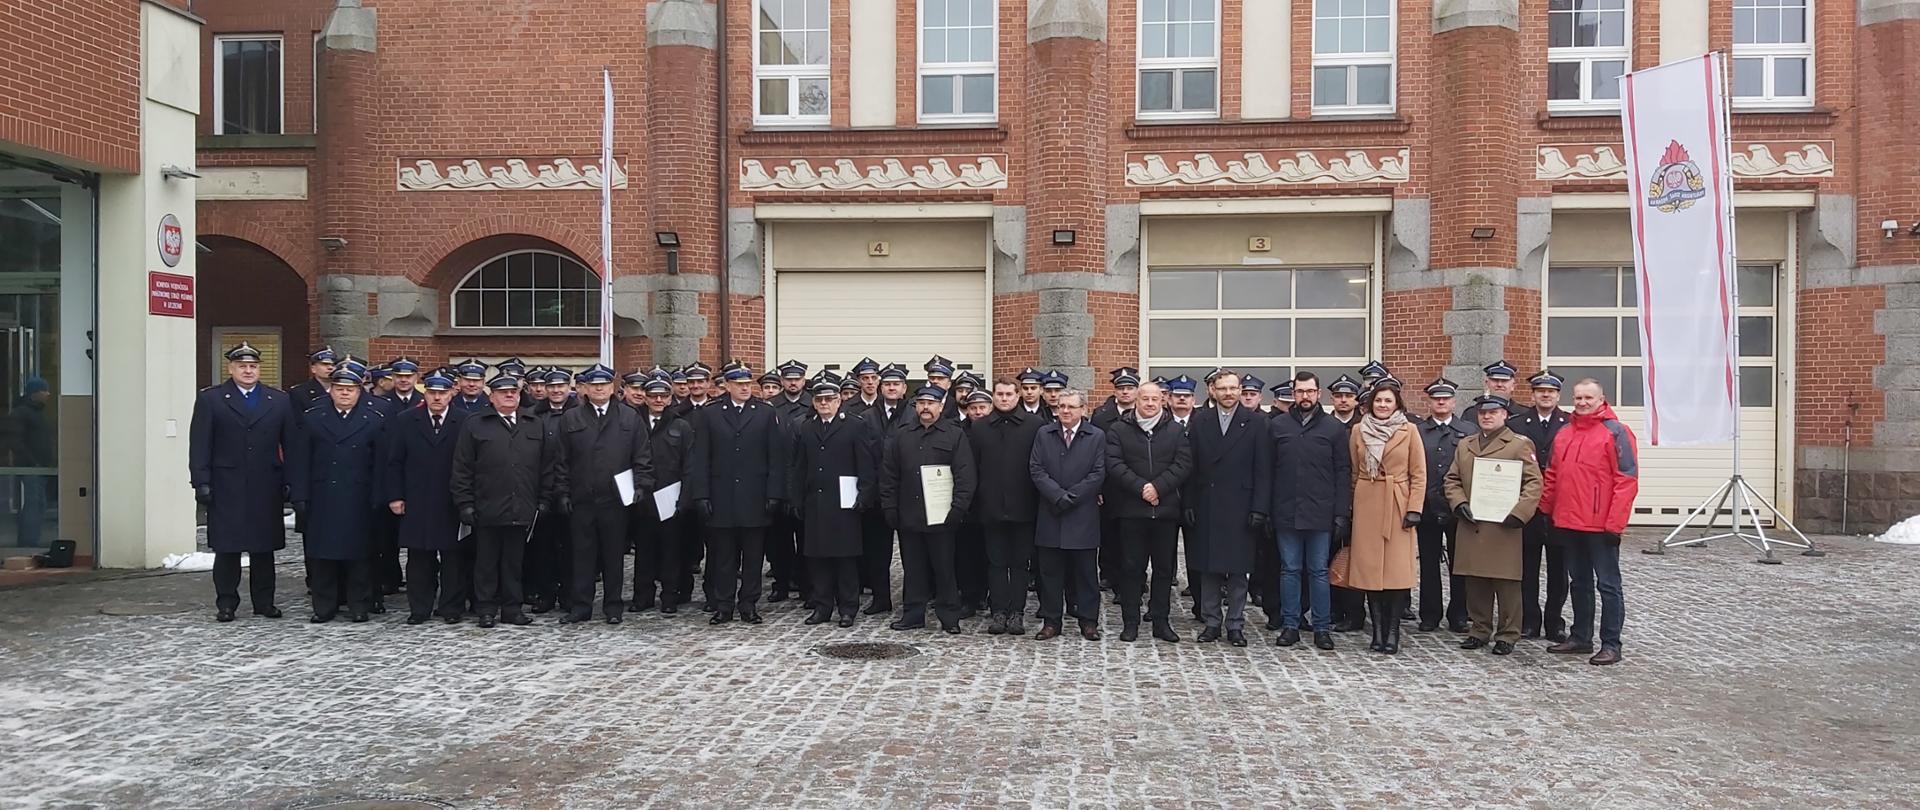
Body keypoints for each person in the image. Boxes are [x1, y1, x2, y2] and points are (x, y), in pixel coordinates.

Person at [189, 343, 295, 622]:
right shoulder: (212, 399)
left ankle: (264, 602)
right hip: (227, 484)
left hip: (265, 484)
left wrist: (291, 480)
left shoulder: (278, 400)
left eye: (253, 366)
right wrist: (201, 481)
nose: (248, 371)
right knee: (228, 549)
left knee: (264, 548)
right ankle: (226, 603)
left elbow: (291, 445)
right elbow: (200, 444)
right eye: (242, 366)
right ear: (231, 369)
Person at [1540, 378, 1638, 666]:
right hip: (1569, 522)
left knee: (1608, 586)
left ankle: (1611, 643)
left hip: (1600, 526)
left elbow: (1626, 480)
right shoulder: (1565, 433)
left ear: (1601, 399)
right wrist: (1547, 510)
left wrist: (1615, 524)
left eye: (1588, 398)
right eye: (1578, 397)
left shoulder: (1616, 432)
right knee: (1579, 583)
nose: (1582, 402)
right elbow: (1553, 475)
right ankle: (1581, 637)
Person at [451, 372, 560, 628]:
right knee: (486, 562)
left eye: (513, 392)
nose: (509, 396)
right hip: (487, 505)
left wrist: (544, 498)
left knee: (515, 561)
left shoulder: (533, 423)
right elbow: (462, 467)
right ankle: (486, 608)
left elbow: (546, 465)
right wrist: (464, 503)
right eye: (503, 392)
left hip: (522, 504)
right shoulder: (475, 424)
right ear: (492, 396)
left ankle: (512, 608)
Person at [685, 361, 787, 625]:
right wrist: (701, 495)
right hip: (722, 497)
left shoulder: (765, 413)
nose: (744, 388)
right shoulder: (710, 413)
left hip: (755, 496)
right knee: (723, 557)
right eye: (739, 384)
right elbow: (701, 458)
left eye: (747, 384)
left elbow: (775, 457)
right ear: (727, 385)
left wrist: (774, 493)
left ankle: (749, 604)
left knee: (754, 557)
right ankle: (724, 605)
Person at [552, 364, 654, 625]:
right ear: (585, 388)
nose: (599, 389)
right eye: (594, 385)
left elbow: (642, 456)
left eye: (604, 385)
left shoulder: (629, 417)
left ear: (613, 388)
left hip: (616, 499)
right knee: (582, 555)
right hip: (582, 498)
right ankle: (581, 606)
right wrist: (562, 492)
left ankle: (613, 606)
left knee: (613, 555)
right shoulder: (571, 418)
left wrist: (642, 486)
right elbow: (561, 460)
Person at [288, 365, 388, 623]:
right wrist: (299, 495)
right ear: (331, 390)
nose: (344, 394)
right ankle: (323, 606)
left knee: (360, 556)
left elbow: (381, 463)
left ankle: (359, 605)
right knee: (322, 556)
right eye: (339, 388)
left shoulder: (374, 419)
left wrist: (380, 495)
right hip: (323, 496)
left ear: (359, 391)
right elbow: (301, 460)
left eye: (350, 389)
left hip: (359, 496)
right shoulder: (313, 417)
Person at [1444, 395, 1543, 655]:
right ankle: (1479, 629)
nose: (1486, 417)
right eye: (1482, 413)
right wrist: (1459, 502)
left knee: (1506, 582)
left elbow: (1534, 483)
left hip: (1504, 525)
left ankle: (1508, 633)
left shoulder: (1519, 444)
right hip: (1473, 522)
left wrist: (1520, 513)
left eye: (1493, 412)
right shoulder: (1466, 445)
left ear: (1505, 415)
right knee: (1475, 580)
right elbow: (1452, 479)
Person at [1181, 371, 1272, 647]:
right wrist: (1188, 503)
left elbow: (1263, 470)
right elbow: (1189, 467)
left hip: (1240, 506)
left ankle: (1235, 623)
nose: (1229, 393)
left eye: (1234, 388)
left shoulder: (1257, 423)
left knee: (1237, 570)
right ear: (1213, 391)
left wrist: (1260, 508)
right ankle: (1211, 622)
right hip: (1207, 504)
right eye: (1223, 388)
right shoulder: (1200, 422)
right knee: (1208, 568)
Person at [879, 384, 976, 634]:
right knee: (913, 568)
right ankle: (913, 614)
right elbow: (889, 475)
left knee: (944, 568)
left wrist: (958, 509)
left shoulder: (954, 435)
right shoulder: (902, 435)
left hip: (942, 516)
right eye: (921, 403)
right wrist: (890, 507)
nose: (925, 408)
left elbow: (965, 476)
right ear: (915, 407)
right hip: (909, 513)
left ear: (941, 407)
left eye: (931, 403)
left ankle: (949, 616)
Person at [1268, 371, 1353, 650]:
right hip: (1286, 510)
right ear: (1293, 394)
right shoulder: (1278, 426)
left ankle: (1321, 627)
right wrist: (1267, 510)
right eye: (1300, 391)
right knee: (1290, 569)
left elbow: (1343, 472)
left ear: (1319, 394)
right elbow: (1267, 472)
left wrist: (1341, 513)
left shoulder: (1333, 428)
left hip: (1321, 512)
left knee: (1318, 571)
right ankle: (1290, 625)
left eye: (1310, 391)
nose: (1305, 396)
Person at [1103, 381, 1192, 643]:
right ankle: (1130, 622)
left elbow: (1183, 463)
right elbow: (1114, 463)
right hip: (1131, 510)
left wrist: (1158, 488)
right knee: (1131, 568)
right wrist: (1142, 487)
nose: (1150, 404)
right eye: (1145, 399)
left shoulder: (1176, 431)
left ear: (1162, 401)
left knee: (1164, 570)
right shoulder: (1119, 429)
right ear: (1137, 401)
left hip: (1165, 511)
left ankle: (1161, 621)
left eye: (1155, 399)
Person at [786, 374, 878, 627]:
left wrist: (865, 496)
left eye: (829, 399)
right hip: (815, 502)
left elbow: (866, 465)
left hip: (845, 503)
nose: (824, 403)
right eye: (820, 399)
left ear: (839, 401)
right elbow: (799, 467)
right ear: (813, 402)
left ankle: (848, 608)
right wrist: (796, 499)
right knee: (817, 558)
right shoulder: (806, 427)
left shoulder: (855, 426)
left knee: (845, 558)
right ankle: (822, 606)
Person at [383, 369, 470, 624]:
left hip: (451, 499)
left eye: (442, 393)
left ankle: (451, 607)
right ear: (425, 393)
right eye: (432, 392)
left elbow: (470, 463)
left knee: (453, 557)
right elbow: (395, 462)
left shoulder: (464, 420)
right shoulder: (406, 420)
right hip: (417, 498)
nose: (437, 398)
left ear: (452, 394)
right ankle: (419, 608)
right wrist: (396, 496)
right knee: (419, 558)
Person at [1347, 380, 1425, 655]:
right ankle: (1377, 632)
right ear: (1370, 404)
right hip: (1368, 501)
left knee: (1395, 573)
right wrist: (1354, 506)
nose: (1382, 405)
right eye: (1378, 401)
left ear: (1397, 404)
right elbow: (1355, 472)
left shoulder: (1409, 430)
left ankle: (1392, 632)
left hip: (1397, 502)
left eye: (1387, 401)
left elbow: (1419, 473)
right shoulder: (1358, 430)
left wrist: (1414, 508)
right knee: (1369, 573)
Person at [1028, 388, 1107, 641]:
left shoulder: (1096, 436)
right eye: (1061, 406)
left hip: (1082, 514)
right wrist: (1057, 495)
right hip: (1051, 512)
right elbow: (1036, 469)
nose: (1065, 411)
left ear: (1083, 409)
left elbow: (1098, 473)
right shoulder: (1044, 433)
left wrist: (1072, 496)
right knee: (1050, 574)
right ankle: (1052, 621)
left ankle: (1088, 621)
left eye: (1071, 407)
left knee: (1085, 574)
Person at [968, 378, 1043, 635]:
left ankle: (1017, 613)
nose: (1004, 398)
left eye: (1009, 394)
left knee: (1020, 564)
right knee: (996, 562)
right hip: (990, 507)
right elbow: (972, 468)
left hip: (1024, 507)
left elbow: (1039, 467)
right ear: (993, 397)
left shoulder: (1035, 426)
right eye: (999, 394)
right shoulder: (979, 428)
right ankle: (998, 611)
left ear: (1018, 395)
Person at [1512, 369, 1571, 641]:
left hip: (1560, 506)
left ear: (1558, 395)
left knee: (1559, 570)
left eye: (1550, 391)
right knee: (1527, 567)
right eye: (1540, 391)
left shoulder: (1569, 424)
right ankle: (1529, 620)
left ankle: (1554, 621)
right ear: (1532, 394)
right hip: (1527, 504)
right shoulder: (1517, 424)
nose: (1545, 395)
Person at [1417, 377, 1472, 633]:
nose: (1441, 401)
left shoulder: (1469, 430)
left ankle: (1459, 614)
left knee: (1459, 564)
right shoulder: (1417, 431)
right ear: (1429, 401)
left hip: (1458, 507)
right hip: (1427, 506)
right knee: (1428, 563)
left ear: (1454, 401)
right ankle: (1430, 614)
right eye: (1436, 398)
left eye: (1446, 398)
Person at [858, 362, 912, 613]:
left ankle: (912, 600)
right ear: (881, 387)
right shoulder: (867, 417)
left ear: (904, 388)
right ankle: (881, 599)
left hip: (908, 494)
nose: (891, 388)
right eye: (887, 384)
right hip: (877, 494)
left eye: (896, 384)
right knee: (877, 552)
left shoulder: (914, 413)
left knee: (912, 553)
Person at [637, 372, 693, 613]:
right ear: (646, 398)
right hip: (642, 497)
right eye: (653, 395)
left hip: (671, 496)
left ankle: (670, 596)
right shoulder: (635, 424)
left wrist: (685, 497)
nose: (658, 399)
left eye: (663, 395)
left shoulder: (681, 425)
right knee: (644, 551)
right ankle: (642, 596)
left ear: (670, 398)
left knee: (672, 551)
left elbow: (689, 464)